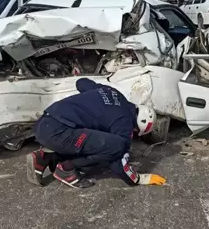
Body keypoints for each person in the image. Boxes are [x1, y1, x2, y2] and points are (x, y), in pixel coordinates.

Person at [26, 78, 167, 188]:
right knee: (116, 147)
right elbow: (118, 162)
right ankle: (66, 169)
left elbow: (81, 83)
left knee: (93, 140)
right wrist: (139, 179)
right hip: (59, 132)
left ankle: (44, 159)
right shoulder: (125, 124)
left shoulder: (113, 93)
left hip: (44, 122)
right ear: (138, 126)